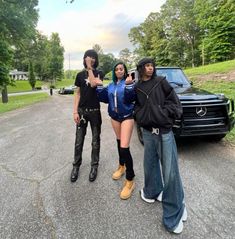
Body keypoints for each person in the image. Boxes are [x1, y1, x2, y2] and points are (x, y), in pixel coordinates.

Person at [125, 58, 187, 233]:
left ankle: (175, 210)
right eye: (147, 66)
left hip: (164, 132)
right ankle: (152, 191)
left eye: (152, 65)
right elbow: (129, 102)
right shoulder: (136, 86)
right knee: (150, 165)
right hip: (147, 132)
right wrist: (130, 88)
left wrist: (163, 114)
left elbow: (175, 103)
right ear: (140, 68)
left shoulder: (161, 82)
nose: (150, 68)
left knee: (170, 172)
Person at [95, 62, 135, 200]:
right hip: (115, 117)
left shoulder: (129, 82)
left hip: (127, 117)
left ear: (124, 71)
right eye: (116, 69)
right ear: (114, 71)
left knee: (124, 147)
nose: (119, 71)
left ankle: (130, 180)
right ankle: (121, 166)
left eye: (121, 69)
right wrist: (100, 86)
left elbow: (131, 98)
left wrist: (129, 85)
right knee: (119, 143)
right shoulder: (111, 85)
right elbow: (103, 99)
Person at [70, 49, 104, 183]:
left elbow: (94, 83)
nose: (91, 59)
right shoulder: (79, 75)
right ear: (84, 58)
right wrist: (75, 111)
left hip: (95, 111)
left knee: (95, 141)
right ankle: (76, 166)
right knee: (78, 142)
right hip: (82, 111)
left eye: (93, 57)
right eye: (88, 57)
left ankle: (94, 166)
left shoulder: (99, 73)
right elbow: (77, 93)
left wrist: (90, 68)